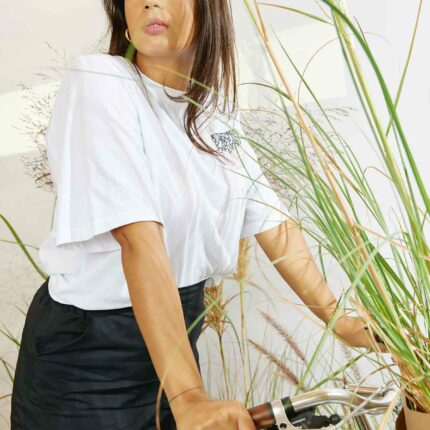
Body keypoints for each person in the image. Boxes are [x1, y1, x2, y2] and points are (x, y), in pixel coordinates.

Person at [10, 1, 385, 429]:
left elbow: (271, 222)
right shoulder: (100, 80)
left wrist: (343, 322)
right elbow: (139, 239)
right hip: (88, 361)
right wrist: (188, 395)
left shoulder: (212, 112)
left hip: (174, 351)